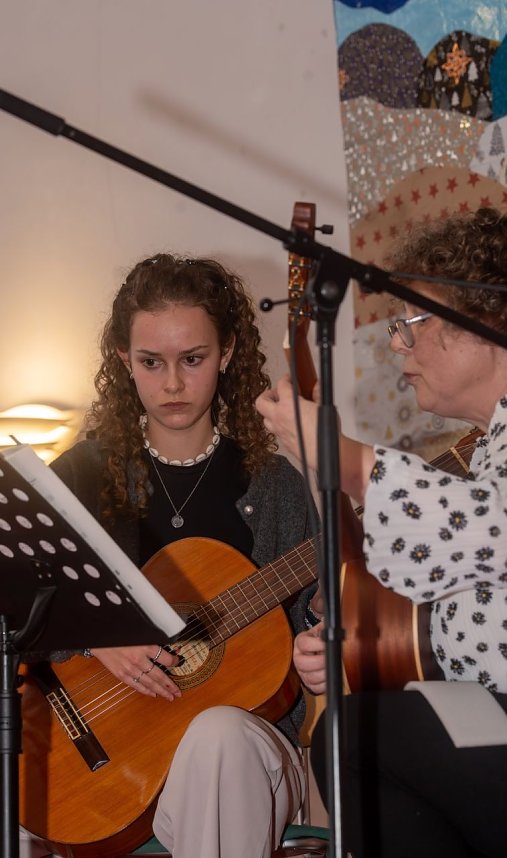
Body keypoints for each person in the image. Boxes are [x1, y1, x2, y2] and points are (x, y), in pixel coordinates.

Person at [0, 253, 320, 858]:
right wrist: (94, 637)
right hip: (106, 757)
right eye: (151, 362)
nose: (172, 384)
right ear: (123, 361)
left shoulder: (275, 487)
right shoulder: (80, 478)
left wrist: (321, 655)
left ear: (227, 354)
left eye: (192, 359)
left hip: (236, 762)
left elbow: (306, 647)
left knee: (216, 736)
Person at [256, 207, 507, 858]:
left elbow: (492, 533)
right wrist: (353, 643)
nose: (398, 345)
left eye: (409, 325)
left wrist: (353, 463)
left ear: (482, 321)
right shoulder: (486, 450)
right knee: (352, 736)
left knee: (354, 739)